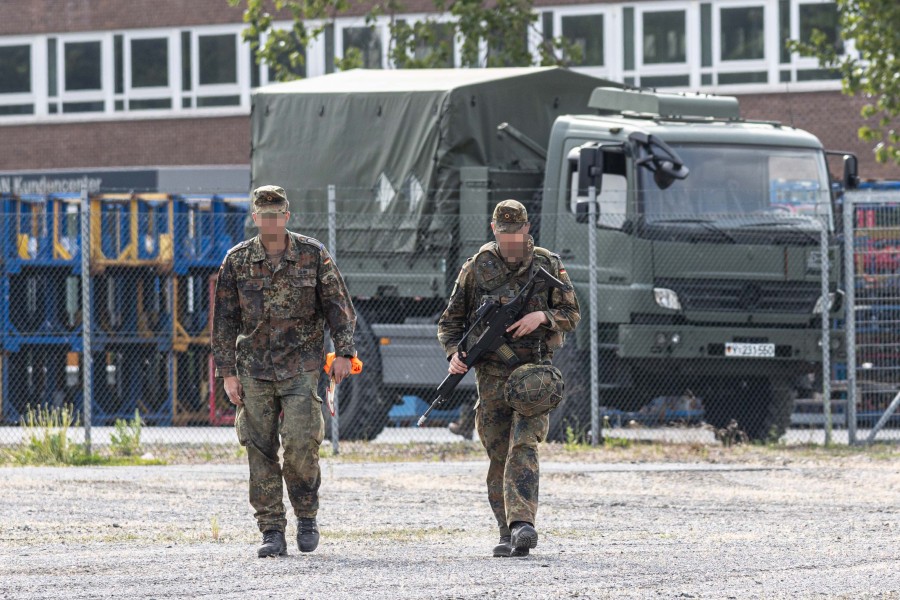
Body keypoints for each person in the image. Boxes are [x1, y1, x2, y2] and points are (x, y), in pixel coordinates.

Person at [213, 185, 357, 558]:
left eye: (278, 215)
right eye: (265, 216)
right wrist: (227, 372)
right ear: (255, 218)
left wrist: (344, 353)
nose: (272, 221)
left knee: (300, 445)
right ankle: (272, 529)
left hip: (301, 367)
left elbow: (339, 306)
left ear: (287, 217)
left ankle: (306, 515)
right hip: (254, 371)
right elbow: (224, 322)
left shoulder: (312, 254)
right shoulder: (237, 261)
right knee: (259, 449)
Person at [437, 199, 580, 557]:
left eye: (516, 234)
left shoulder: (548, 265)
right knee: (499, 451)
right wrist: (454, 353)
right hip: (492, 375)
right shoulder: (476, 268)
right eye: (504, 235)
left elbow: (572, 312)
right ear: (493, 230)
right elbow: (450, 322)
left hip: (534, 373)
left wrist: (542, 318)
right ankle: (506, 530)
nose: (511, 241)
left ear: (527, 229)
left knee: (524, 445)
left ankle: (523, 525)